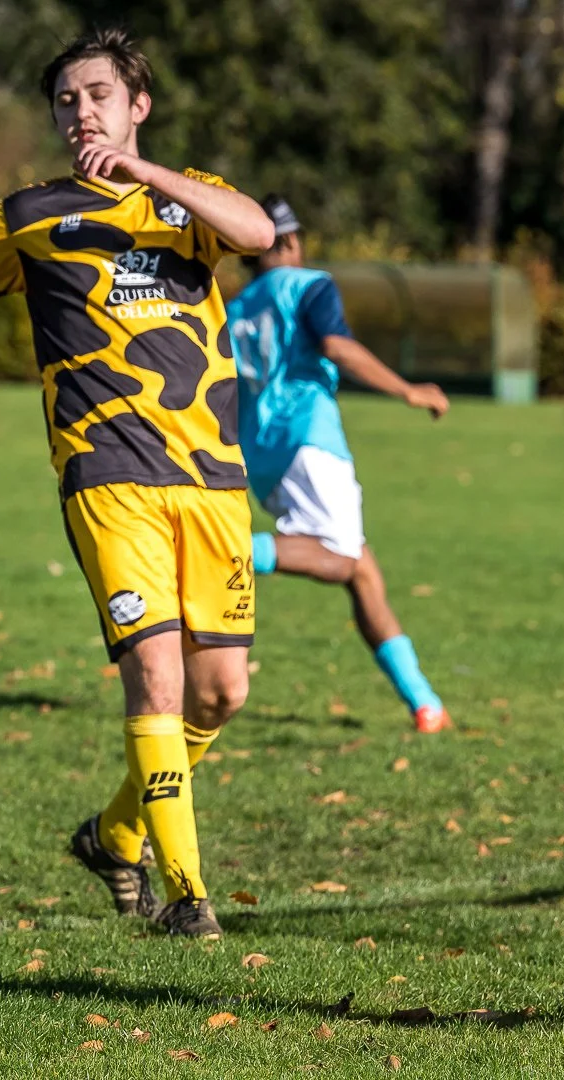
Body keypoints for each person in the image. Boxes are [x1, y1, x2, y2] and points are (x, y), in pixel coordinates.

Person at [0, 28, 277, 940]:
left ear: (137, 106)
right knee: (156, 679)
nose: (82, 112)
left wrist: (147, 175)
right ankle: (189, 898)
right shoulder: (29, 212)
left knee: (221, 693)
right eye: (66, 101)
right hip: (106, 472)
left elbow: (258, 234)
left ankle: (117, 833)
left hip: (213, 474)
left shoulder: (193, 199)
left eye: (98, 95)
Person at [224, 196, 453, 733]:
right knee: (341, 557)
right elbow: (337, 346)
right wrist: (408, 390)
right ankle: (229, 550)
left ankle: (425, 704)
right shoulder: (308, 284)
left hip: (261, 453)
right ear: (290, 240)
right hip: (309, 438)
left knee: (364, 573)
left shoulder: (234, 310)